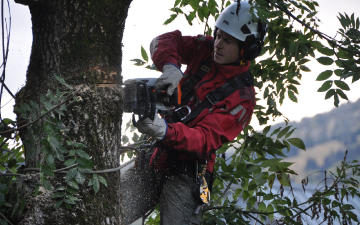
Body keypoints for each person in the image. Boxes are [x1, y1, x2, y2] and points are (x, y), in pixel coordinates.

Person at [135, 1, 267, 224]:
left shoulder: (243, 99)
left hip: (186, 174)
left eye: (228, 41)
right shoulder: (205, 49)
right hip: (156, 154)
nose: (218, 44)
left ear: (248, 49)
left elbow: (204, 139)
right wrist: (170, 66)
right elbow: (166, 40)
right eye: (218, 35)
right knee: (107, 205)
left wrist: (164, 130)